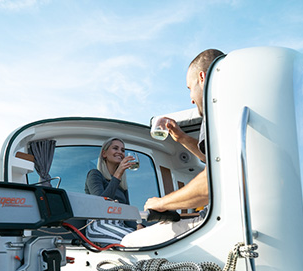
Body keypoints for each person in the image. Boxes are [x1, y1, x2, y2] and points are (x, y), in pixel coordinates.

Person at [121, 48, 225, 247]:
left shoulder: (218, 112)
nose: (191, 99)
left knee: (128, 242)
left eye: (189, 88)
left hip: (215, 223)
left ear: (202, 77)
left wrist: (160, 203)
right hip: (217, 218)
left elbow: (213, 181)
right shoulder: (231, 111)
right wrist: (181, 138)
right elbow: (212, 158)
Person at [84, 137, 140, 245]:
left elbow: (127, 213)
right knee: (134, 241)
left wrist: (138, 226)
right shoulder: (94, 174)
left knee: (147, 238)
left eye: (123, 150)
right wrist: (118, 173)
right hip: (99, 225)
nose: (120, 152)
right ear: (104, 153)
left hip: (119, 225)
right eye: (115, 148)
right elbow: (101, 204)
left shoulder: (122, 185)